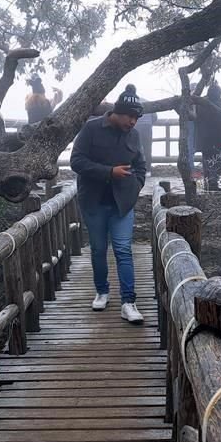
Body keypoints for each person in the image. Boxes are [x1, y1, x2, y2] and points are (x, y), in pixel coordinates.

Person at [70, 84, 147, 324]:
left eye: (137, 118)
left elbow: (141, 166)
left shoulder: (134, 135)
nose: (133, 122)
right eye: (130, 116)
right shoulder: (91, 128)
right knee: (98, 249)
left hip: (122, 203)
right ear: (117, 112)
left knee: (123, 250)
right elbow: (76, 162)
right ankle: (102, 291)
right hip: (93, 201)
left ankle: (128, 302)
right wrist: (108, 172)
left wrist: (136, 187)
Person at [193, 83, 221, 191]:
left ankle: (208, 182)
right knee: (216, 161)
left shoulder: (200, 105)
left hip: (204, 139)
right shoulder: (220, 107)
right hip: (216, 139)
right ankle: (213, 183)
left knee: (207, 160)